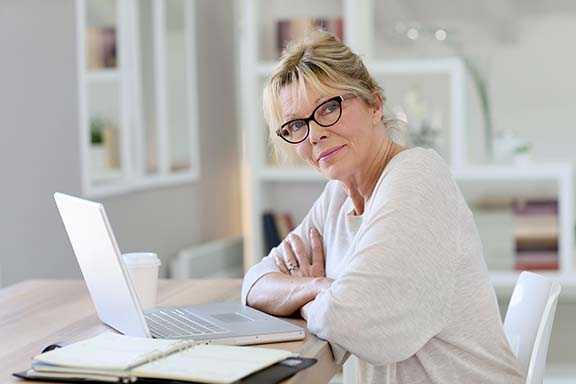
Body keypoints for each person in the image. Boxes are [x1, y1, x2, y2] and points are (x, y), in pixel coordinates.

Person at [240, 30, 525, 384]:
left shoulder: (417, 177)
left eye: (329, 107)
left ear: (374, 104)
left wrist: (320, 296)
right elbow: (254, 284)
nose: (314, 134)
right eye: (296, 125)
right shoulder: (337, 197)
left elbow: (350, 320)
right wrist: (317, 286)